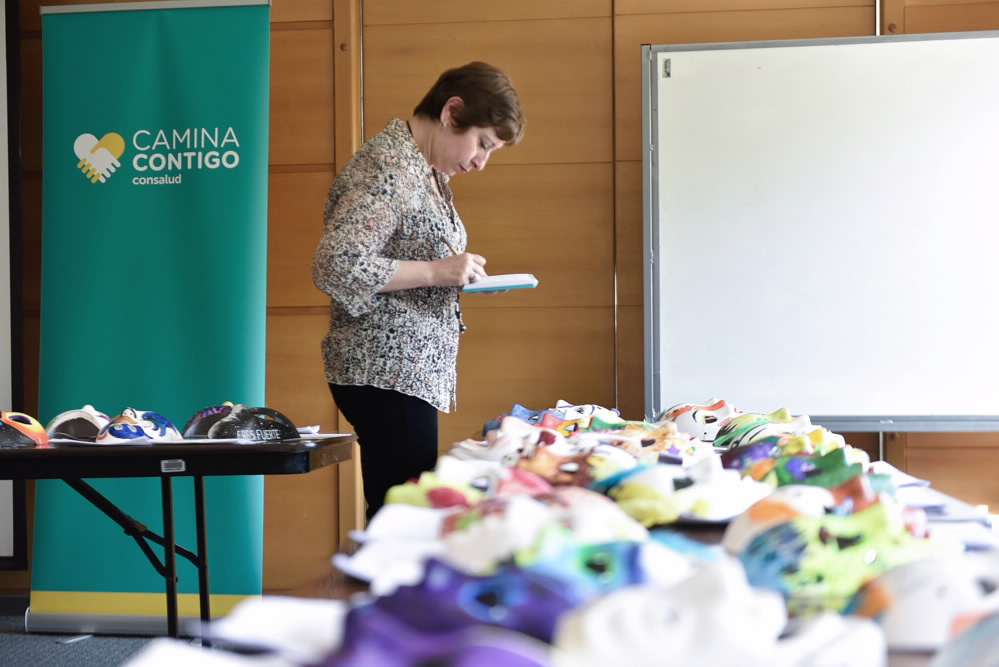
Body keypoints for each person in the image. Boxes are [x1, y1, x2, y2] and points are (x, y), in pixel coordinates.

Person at [312, 62, 525, 522]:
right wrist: (436, 271)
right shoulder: (389, 168)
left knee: (402, 512)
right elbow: (336, 265)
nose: (481, 162)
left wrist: (455, 276)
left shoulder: (423, 169)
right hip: (386, 370)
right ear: (452, 112)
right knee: (401, 518)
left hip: (405, 372)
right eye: (483, 144)